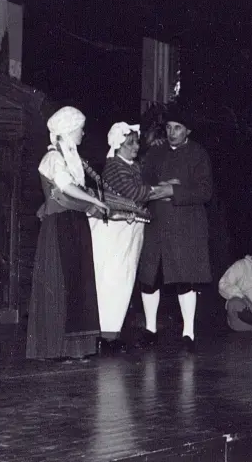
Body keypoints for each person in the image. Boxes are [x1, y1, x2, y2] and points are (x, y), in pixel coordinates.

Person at [26, 106, 109, 361]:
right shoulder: (52, 158)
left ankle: (76, 349)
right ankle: (55, 349)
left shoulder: (72, 159)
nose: (83, 133)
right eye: (80, 129)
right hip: (59, 225)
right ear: (69, 130)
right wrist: (95, 201)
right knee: (60, 283)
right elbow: (65, 186)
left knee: (78, 285)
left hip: (74, 223)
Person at [88, 122, 173, 354]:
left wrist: (155, 188)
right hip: (115, 232)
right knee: (112, 280)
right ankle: (105, 335)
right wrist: (163, 190)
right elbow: (134, 192)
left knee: (124, 281)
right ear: (118, 144)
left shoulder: (132, 165)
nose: (136, 147)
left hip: (130, 231)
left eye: (136, 142)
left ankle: (112, 333)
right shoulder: (114, 166)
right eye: (130, 143)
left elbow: (141, 188)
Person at [136, 112, 213, 353]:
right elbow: (141, 183)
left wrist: (174, 191)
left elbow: (205, 191)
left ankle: (188, 333)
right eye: (169, 127)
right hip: (156, 223)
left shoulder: (198, 153)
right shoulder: (155, 152)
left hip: (185, 226)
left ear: (188, 131)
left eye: (178, 127)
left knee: (184, 278)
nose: (172, 132)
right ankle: (150, 330)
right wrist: (156, 189)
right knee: (150, 277)